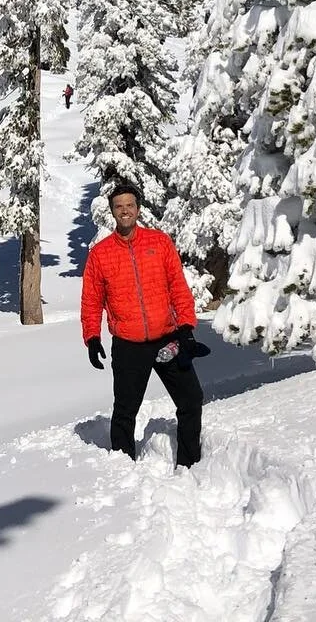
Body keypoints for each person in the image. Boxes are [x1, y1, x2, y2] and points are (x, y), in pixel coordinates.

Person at [80, 182, 207, 468]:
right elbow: (91, 299)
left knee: (191, 399)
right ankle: (124, 470)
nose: (125, 211)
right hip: (128, 345)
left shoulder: (159, 242)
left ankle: (190, 465)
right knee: (125, 411)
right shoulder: (100, 254)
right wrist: (92, 337)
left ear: (138, 209)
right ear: (112, 212)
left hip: (167, 339)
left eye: (129, 205)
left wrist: (186, 327)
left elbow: (178, 287)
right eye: (118, 206)